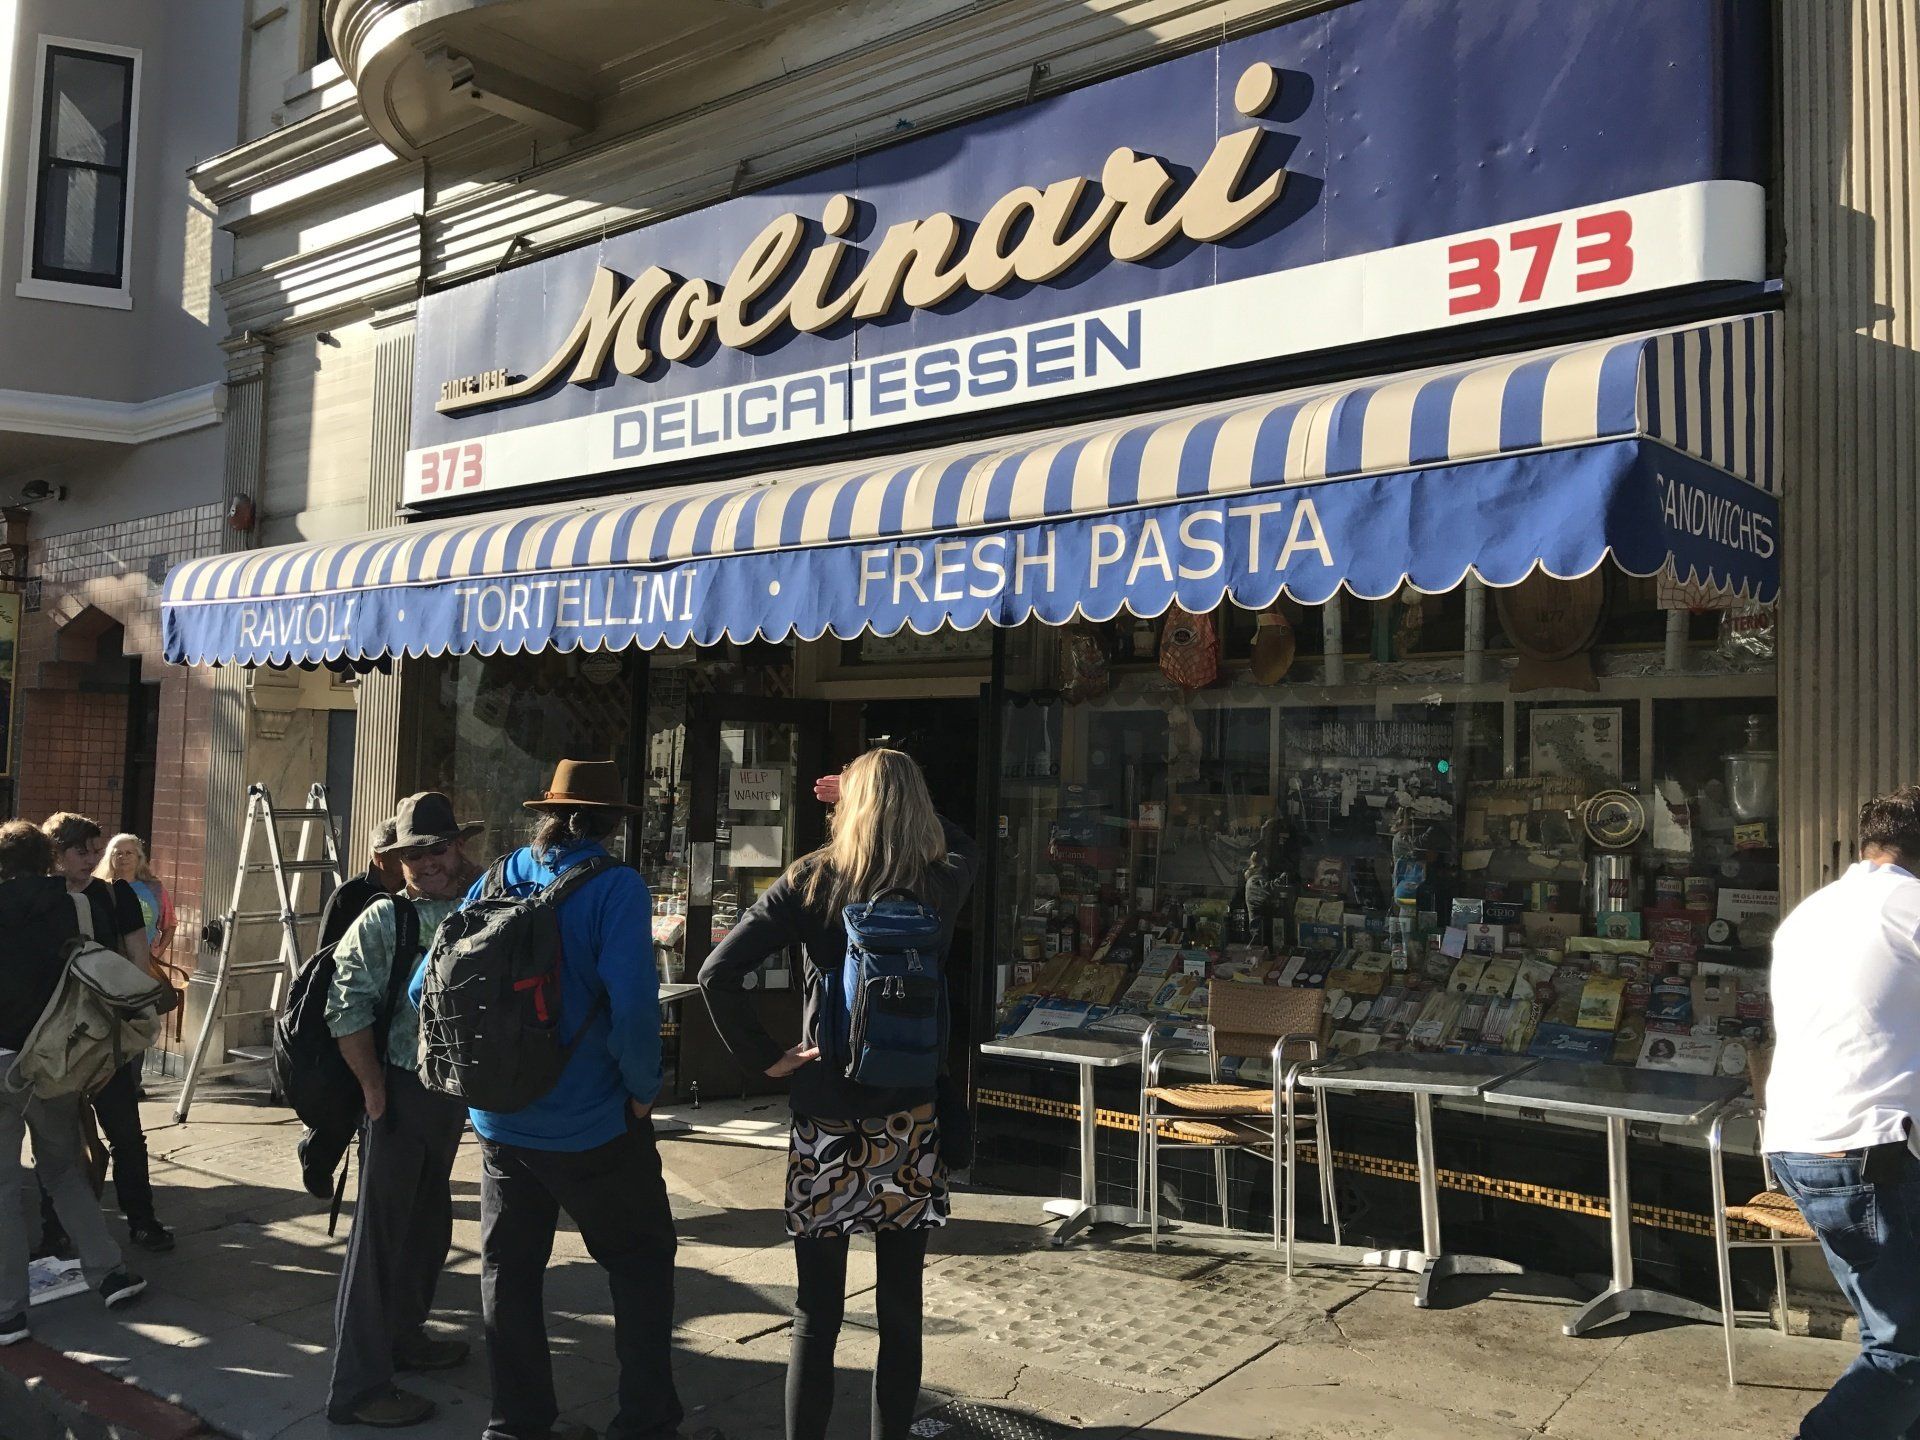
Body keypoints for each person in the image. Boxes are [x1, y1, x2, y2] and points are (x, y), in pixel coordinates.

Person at [423, 759, 716, 1440]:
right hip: (592, 1122)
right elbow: (636, 1009)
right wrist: (644, 1093)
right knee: (640, 1264)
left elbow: (427, 987)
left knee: (509, 1271)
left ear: (547, 813)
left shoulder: (497, 875)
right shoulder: (616, 888)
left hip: (500, 1117)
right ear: (613, 823)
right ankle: (644, 1421)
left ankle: (518, 1424)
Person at [699, 749, 976, 1440]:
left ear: (845, 807)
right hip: (911, 1118)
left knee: (815, 1315)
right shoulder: (940, 881)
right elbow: (965, 840)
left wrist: (765, 1060)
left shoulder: (813, 880)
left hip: (827, 1114)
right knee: (901, 1311)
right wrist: (894, 795)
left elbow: (716, 973)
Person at [1767, 785, 1920, 1440]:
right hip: (1871, 1154)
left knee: (1892, 1329)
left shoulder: (1812, 913)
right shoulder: (1912, 908)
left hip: (1801, 1147)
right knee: (1906, 1352)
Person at [325, 794, 478, 1429]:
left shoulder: (479, 904)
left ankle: (403, 1336)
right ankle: (357, 1389)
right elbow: (346, 1006)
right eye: (413, 853)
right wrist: (372, 1088)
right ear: (395, 860)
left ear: (456, 846)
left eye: (437, 847)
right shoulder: (385, 919)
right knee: (379, 1243)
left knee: (428, 1226)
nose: (428, 861)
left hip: (450, 1097)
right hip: (401, 1092)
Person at [0, 820, 146, 1344]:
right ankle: (109, 1275)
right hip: (53, 1058)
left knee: (3, 1187)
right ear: (47, 858)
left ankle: (8, 1312)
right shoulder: (72, 905)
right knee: (62, 1169)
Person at [43, 813, 171, 1254]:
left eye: (96, 849)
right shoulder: (40, 899)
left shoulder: (115, 897)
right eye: (84, 851)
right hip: (56, 1038)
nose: (94, 859)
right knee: (57, 1138)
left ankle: (143, 1220)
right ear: (55, 853)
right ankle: (55, 1229)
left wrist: (134, 1018)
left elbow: (138, 959)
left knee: (126, 1132)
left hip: (107, 1035)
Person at [296, 817, 403, 1198]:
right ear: (379, 856)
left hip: (393, 1010)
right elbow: (328, 959)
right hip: (353, 1008)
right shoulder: (350, 895)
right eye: (399, 852)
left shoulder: (410, 893)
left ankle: (371, 1175)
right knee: (346, 1097)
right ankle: (318, 1156)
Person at [97, 835, 174, 964]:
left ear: (139, 857)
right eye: (118, 853)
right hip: (110, 962)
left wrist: (158, 952)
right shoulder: (100, 888)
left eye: (129, 853)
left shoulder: (155, 888)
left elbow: (170, 924)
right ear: (110, 858)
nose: (123, 857)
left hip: (147, 963)